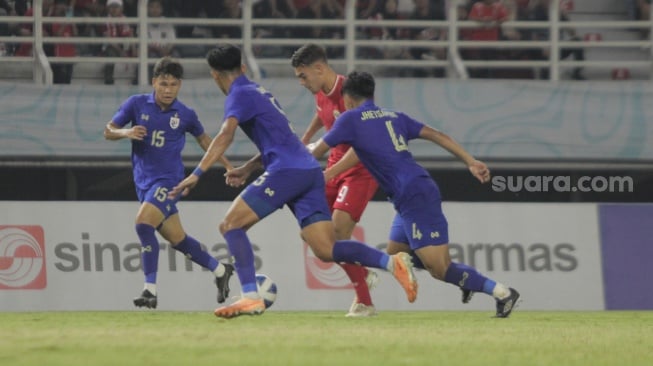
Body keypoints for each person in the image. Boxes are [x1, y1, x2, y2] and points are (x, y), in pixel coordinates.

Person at [169, 44, 418, 319]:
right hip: (309, 170)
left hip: (288, 171)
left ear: (215, 75)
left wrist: (196, 174)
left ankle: (251, 296)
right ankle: (392, 263)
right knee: (326, 248)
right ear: (242, 68)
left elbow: (225, 135)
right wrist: (250, 167)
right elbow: (281, 141)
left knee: (230, 225)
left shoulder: (238, 95)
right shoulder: (259, 92)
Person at [309, 71, 521, 318]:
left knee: (440, 269)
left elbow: (318, 151)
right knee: (396, 256)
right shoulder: (393, 116)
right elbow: (435, 134)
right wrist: (470, 161)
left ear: (348, 99)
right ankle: (466, 280)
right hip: (409, 193)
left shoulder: (349, 119)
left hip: (414, 194)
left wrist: (297, 170)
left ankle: (502, 293)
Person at [103, 57, 235, 309]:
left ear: (180, 86)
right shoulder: (136, 104)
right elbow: (108, 130)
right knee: (178, 239)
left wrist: (228, 166)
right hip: (144, 183)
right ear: (154, 82)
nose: (168, 90)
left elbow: (206, 142)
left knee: (143, 225)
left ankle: (149, 290)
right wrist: (127, 132)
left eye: (173, 85)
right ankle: (220, 270)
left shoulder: (185, 114)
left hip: (170, 182)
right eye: (163, 84)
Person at [291, 44, 380, 317]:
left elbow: (360, 146)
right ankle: (363, 271)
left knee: (339, 234)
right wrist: (305, 139)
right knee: (312, 235)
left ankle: (365, 302)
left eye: (303, 76)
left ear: (319, 68)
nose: (302, 83)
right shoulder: (322, 93)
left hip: (359, 169)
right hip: (333, 167)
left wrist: (329, 173)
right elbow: (323, 114)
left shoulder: (349, 94)